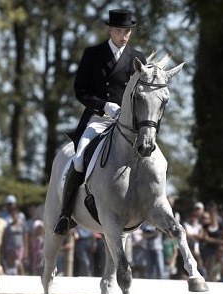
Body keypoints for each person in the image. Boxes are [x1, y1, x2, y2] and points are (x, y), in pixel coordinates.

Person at [54, 9, 146, 235]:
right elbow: (80, 90)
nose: (123, 35)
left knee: (151, 159)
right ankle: (66, 214)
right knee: (78, 159)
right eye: (118, 30)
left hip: (128, 124)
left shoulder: (139, 58)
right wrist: (104, 105)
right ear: (109, 30)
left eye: (127, 31)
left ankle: (146, 207)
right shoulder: (93, 54)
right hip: (98, 118)